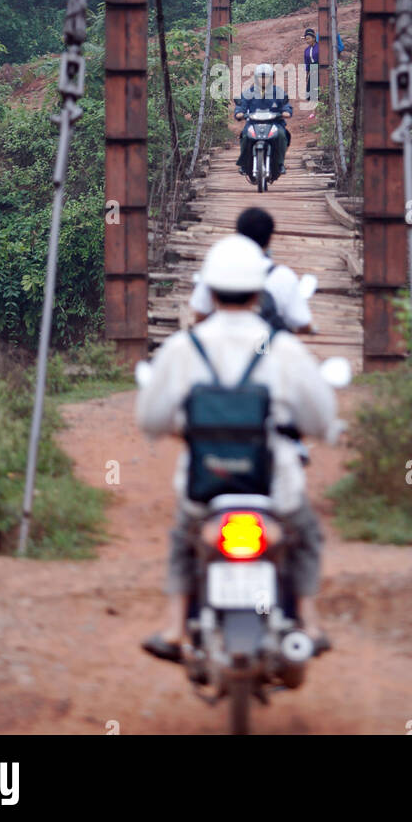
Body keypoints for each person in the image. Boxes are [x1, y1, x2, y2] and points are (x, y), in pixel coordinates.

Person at [138, 234, 337, 663]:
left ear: (207, 291)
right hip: (274, 490)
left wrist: (183, 429)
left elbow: (150, 420)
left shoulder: (183, 348)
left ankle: (174, 628)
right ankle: (309, 622)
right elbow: (321, 419)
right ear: (258, 292)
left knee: (183, 539)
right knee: (305, 534)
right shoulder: (281, 347)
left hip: (203, 490)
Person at [189, 206, 314, 335]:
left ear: (237, 233)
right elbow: (301, 322)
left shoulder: (217, 267)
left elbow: (199, 315)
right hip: (264, 348)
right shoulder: (282, 276)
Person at [234, 62, 292, 179]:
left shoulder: (279, 92)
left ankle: (280, 163)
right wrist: (239, 113)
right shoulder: (248, 93)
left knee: (281, 135)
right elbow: (241, 106)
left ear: (272, 78)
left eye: (267, 77)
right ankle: (245, 164)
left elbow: (286, 106)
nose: (263, 80)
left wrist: (286, 112)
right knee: (245, 136)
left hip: (274, 123)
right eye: (261, 77)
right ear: (256, 78)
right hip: (253, 123)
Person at [303, 27, 344, 97]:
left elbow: (340, 48)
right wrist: (306, 74)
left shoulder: (320, 46)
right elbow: (307, 63)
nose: (307, 41)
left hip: (322, 65)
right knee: (310, 95)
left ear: (313, 38)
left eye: (308, 39)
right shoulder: (307, 50)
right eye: (306, 39)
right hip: (314, 68)